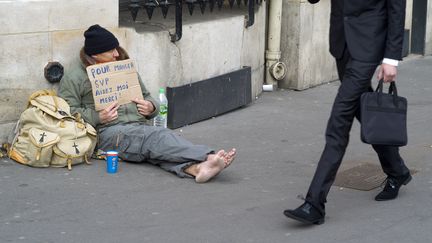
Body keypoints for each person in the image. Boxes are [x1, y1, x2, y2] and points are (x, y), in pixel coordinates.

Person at [283, 0, 411, 225]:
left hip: (369, 43)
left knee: (339, 120)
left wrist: (391, 59)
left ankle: (315, 203)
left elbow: (397, 8)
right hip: (342, 41)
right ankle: (397, 170)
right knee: (362, 109)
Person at [59, 24, 236, 183]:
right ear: (96, 55)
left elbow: (146, 96)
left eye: (116, 49)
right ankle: (208, 157)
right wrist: (98, 117)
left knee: (154, 148)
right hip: (108, 133)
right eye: (111, 51)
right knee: (156, 138)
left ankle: (197, 169)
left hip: (138, 126)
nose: (116, 54)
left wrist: (150, 107)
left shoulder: (122, 66)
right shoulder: (75, 77)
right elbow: (65, 113)